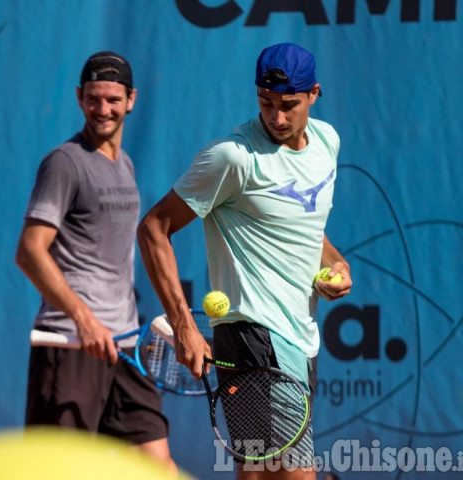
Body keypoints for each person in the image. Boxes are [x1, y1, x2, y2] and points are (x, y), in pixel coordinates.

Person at [137, 43, 352, 479]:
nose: (276, 117)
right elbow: (153, 229)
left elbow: (306, 226)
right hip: (255, 337)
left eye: (289, 105)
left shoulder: (327, 142)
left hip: (301, 338)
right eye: (266, 103)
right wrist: (183, 324)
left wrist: (337, 265)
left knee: (256, 475)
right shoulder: (233, 157)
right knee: (293, 475)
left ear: (314, 94)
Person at [15, 51, 175, 472]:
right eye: (93, 98)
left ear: (131, 100)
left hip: (124, 348)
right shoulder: (64, 163)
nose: (102, 109)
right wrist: (84, 319)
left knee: (157, 466)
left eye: (112, 99)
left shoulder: (124, 164)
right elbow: (30, 250)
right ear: (79, 98)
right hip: (70, 344)